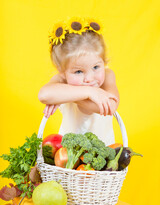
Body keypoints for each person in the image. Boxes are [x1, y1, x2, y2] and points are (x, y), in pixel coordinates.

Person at [38, 18, 120, 146]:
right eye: (78, 72)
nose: (89, 79)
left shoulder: (108, 75)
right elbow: (44, 95)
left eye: (96, 67)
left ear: (104, 62)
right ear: (62, 71)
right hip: (66, 156)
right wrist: (89, 92)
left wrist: (65, 97)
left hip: (104, 156)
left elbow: (110, 106)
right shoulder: (62, 80)